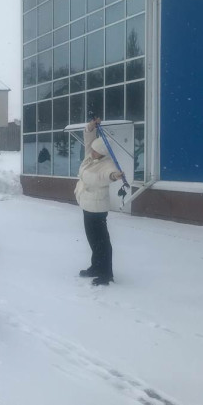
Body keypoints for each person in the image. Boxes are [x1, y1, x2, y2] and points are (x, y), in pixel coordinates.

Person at [74, 118, 123, 286]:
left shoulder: (107, 163)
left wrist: (114, 176)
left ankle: (106, 273)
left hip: (97, 207)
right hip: (87, 204)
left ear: (101, 152)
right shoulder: (91, 156)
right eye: (92, 149)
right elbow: (89, 140)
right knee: (92, 239)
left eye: (95, 150)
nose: (91, 151)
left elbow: (106, 175)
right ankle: (96, 267)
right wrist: (90, 127)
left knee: (102, 241)